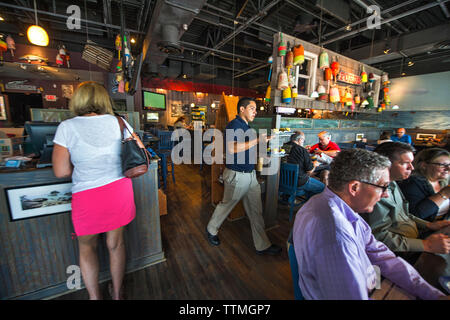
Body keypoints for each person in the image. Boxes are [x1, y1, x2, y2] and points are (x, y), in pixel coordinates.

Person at [292, 148, 446, 300]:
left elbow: (382, 256)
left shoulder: (334, 205)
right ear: (354, 187)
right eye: (383, 186)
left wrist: (433, 295)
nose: (385, 194)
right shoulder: (335, 234)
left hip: (370, 279)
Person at [52, 81, 136, 300]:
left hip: (87, 195)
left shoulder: (67, 127)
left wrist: (81, 164)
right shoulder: (120, 123)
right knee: (115, 244)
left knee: (86, 248)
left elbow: (60, 171)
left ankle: (94, 297)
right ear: (103, 100)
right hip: (118, 190)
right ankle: (117, 294)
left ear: (77, 100)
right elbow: (137, 153)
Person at [206, 97, 281, 255]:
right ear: (242, 109)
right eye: (252, 108)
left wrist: (262, 149)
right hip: (237, 175)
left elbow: (246, 149)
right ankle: (211, 230)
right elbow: (232, 149)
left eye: (255, 109)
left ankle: (262, 245)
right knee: (226, 205)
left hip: (251, 176)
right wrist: (257, 141)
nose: (255, 112)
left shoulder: (247, 127)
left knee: (256, 211)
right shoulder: (234, 125)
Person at [361, 142, 450, 255]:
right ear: (385, 164)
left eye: (411, 163)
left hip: (415, 239)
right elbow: (379, 237)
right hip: (398, 252)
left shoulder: (393, 182)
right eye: (405, 163)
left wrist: (428, 225)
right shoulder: (375, 192)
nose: (411, 168)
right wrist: (426, 245)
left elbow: (405, 214)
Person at [399, 148, 450, 221]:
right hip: (424, 229)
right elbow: (416, 215)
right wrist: (444, 194)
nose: (448, 168)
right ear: (424, 165)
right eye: (442, 165)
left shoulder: (443, 181)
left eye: (449, 165)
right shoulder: (412, 183)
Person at [284, 131, 324, 199]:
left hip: (284, 181)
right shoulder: (302, 150)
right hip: (298, 183)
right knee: (323, 188)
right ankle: (309, 204)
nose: (303, 142)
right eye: (303, 140)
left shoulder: (284, 146)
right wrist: (314, 164)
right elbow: (310, 171)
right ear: (300, 140)